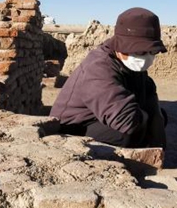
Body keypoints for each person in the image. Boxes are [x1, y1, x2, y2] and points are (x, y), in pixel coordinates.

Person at [51, 8, 168, 148]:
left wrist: (159, 142)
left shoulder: (131, 65)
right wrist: (146, 119)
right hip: (74, 126)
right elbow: (126, 120)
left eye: (152, 51)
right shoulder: (98, 68)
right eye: (139, 51)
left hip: (105, 117)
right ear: (121, 46)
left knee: (159, 117)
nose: (145, 57)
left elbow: (150, 98)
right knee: (126, 135)